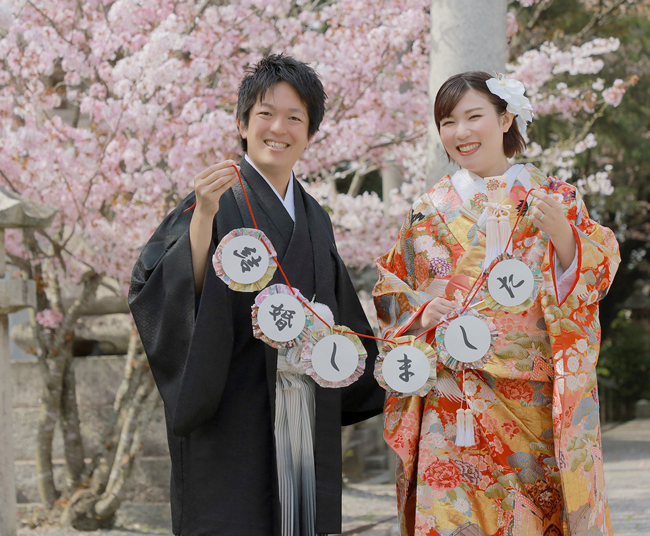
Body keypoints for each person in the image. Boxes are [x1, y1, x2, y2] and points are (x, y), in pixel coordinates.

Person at [129, 54, 384, 536]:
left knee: (299, 520)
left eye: (295, 118)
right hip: (232, 402)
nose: (279, 128)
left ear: (310, 134)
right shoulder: (214, 196)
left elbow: (340, 315)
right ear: (243, 123)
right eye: (266, 114)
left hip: (301, 406)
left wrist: (386, 362)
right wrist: (204, 216)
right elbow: (163, 289)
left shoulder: (314, 215)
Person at [373, 71, 620, 536]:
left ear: (506, 118)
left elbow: (599, 275)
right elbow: (392, 288)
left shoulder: (553, 198)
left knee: (529, 518)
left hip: (529, 401)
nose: (460, 132)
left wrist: (565, 238)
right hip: (451, 395)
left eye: (474, 116)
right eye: (448, 121)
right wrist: (422, 311)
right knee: (448, 516)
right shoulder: (430, 209)